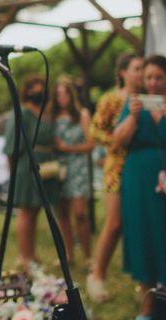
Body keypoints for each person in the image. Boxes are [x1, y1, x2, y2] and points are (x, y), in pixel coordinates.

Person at [87, 52, 144, 302]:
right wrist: (116, 143)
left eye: (143, 68)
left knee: (142, 223)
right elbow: (95, 130)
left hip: (143, 167)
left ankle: (146, 282)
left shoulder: (151, 99)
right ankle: (96, 275)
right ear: (123, 72)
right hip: (117, 168)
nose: (141, 73)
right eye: (137, 68)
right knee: (115, 223)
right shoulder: (112, 99)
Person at [114, 54, 166, 320]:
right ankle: (147, 306)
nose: (153, 83)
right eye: (148, 77)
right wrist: (133, 117)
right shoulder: (133, 104)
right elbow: (118, 140)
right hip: (139, 178)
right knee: (143, 232)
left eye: (158, 77)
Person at [4, 74, 61, 271]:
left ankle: (32, 252)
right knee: (26, 212)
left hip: (44, 167)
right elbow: (11, 144)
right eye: (34, 86)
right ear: (26, 91)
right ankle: (24, 257)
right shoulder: (20, 112)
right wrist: (13, 172)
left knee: (36, 211)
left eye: (41, 86)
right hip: (25, 167)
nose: (39, 89)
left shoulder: (45, 112)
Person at [50, 77, 94, 265]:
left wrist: (67, 148)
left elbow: (90, 144)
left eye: (65, 93)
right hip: (59, 169)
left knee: (80, 213)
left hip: (78, 168)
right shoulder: (51, 118)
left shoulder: (82, 115)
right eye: (58, 94)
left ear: (71, 94)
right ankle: (69, 254)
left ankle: (88, 256)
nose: (62, 98)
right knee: (63, 214)